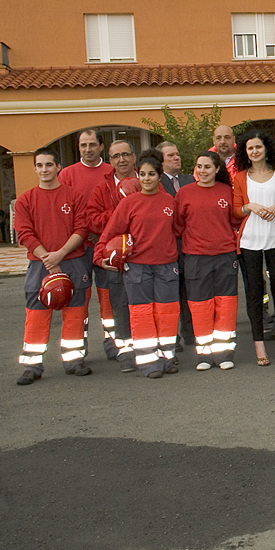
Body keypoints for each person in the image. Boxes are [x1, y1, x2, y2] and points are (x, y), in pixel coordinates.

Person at [94, 149, 181, 379]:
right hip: (138, 269)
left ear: (159, 176)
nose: (146, 179)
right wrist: (100, 256)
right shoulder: (129, 204)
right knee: (142, 315)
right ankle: (148, 362)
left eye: (151, 174)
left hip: (167, 267)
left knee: (167, 313)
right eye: (142, 174)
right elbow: (110, 233)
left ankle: (168, 357)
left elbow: (180, 230)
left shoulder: (170, 202)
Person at [13, 147, 92, 385]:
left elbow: (81, 229)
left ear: (58, 167)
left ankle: (74, 361)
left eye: (49, 165)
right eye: (39, 165)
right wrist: (48, 258)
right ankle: (32, 365)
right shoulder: (26, 199)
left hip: (73, 261)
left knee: (76, 311)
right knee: (37, 312)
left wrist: (60, 254)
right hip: (40, 264)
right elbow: (24, 233)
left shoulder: (74, 196)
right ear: (35, 168)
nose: (44, 169)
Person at [232, 130, 275, 366]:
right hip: (250, 241)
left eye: (258, 147)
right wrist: (250, 207)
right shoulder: (240, 177)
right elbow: (235, 210)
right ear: (245, 152)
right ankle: (259, 342)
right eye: (250, 148)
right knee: (255, 293)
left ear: (267, 148)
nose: (255, 151)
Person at [173, 151, 240, 370]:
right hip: (196, 258)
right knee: (200, 306)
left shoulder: (227, 192)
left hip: (224, 255)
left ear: (217, 169)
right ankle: (204, 354)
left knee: (226, 305)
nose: (202, 171)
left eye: (207, 167)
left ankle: (224, 353)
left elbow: (234, 220)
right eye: (199, 167)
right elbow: (178, 225)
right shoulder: (184, 193)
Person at [58, 128, 114, 360]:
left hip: (107, 245)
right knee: (78, 299)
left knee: (109, 297)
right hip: (78, 248)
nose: (88, 149)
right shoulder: (67, 175)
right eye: (83, 145)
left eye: (92, 144)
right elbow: (62, 212)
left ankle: (113, 343)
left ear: (101, 146)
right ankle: (77, 348)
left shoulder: (112, 171)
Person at [87, 139, 138, 372]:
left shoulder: (147, 179)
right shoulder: (102, 188)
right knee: (120, 304)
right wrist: (119, 212)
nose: (122, 160)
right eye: (116, 156)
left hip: (145, 253)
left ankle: (154, 347)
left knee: (149, 303)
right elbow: (92, 221)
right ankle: (126, 352)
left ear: (134, 157)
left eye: (126, 154)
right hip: (116, 255)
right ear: (110, 162)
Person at [157, 141, 196, 352]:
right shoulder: (157, 182)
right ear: (161, 162)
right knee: (171, 293)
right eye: (171, 155)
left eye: (177, 154)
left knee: (188, 290)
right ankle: (173, 337)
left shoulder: (189, 180)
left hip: (189, 244)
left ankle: (191, 332)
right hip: (168, 245)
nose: (176, 158)